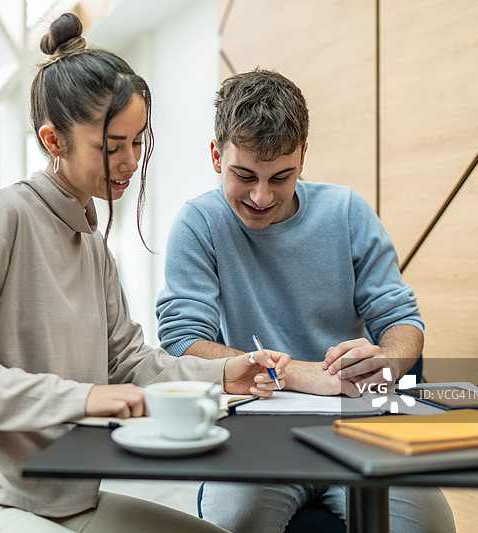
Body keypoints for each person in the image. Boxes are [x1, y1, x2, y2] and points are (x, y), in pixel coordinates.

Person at [0, 14, 289, 533]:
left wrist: (226, 374)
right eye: (110, 146)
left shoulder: (89, 244)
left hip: (55, 499)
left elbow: (128, 362)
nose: (129, 162)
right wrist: (83, 398)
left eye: (138, 142)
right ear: (54, 141)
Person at [155, 69, 456, 532]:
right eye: (244, 175)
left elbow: (401, 319)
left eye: (282, 177)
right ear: (216, 156)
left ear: (304, 157)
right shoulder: (199, 223)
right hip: (258, 431)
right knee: (235, 520)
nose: (261, 196)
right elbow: (181, 340)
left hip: (358, 425)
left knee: (430, 524)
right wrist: (299, 373)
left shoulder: (346, 211)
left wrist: (388, 365)